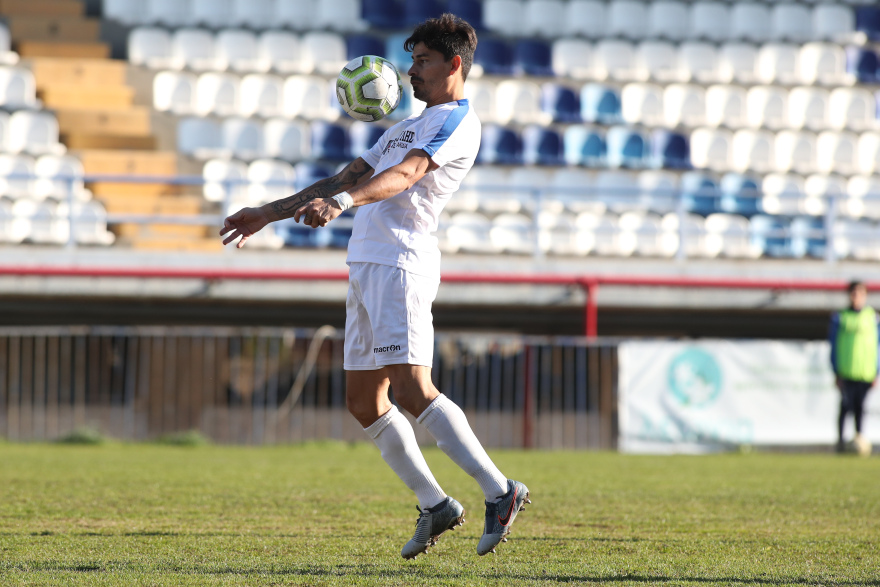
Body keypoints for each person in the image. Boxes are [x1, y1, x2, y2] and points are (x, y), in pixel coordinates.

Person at [219, 14, 529, 558]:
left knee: (411, 388)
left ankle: (500, 490)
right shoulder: (404, 125)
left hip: (400, 264)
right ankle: (435, 504)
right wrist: (267, 213)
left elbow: (406, 175)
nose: (412, 72)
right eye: (410, 61)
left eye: (423, 61)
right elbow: (346, 176)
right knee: (364, 399)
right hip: (365, 264)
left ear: (454, 64)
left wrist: (341, 203)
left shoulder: (455, 122)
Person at [829, 280, 877, 457]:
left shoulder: (872, 317)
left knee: (860, 407)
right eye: (853, 293)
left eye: (860, 293)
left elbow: (876, 346)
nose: (856, 297)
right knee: (845, 406)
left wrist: (876, 371)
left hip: (865, 372)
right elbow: (833, 345)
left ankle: (859, 439)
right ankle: (841, 441)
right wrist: (835, 370)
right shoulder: (840, 317)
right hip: (846, 371)